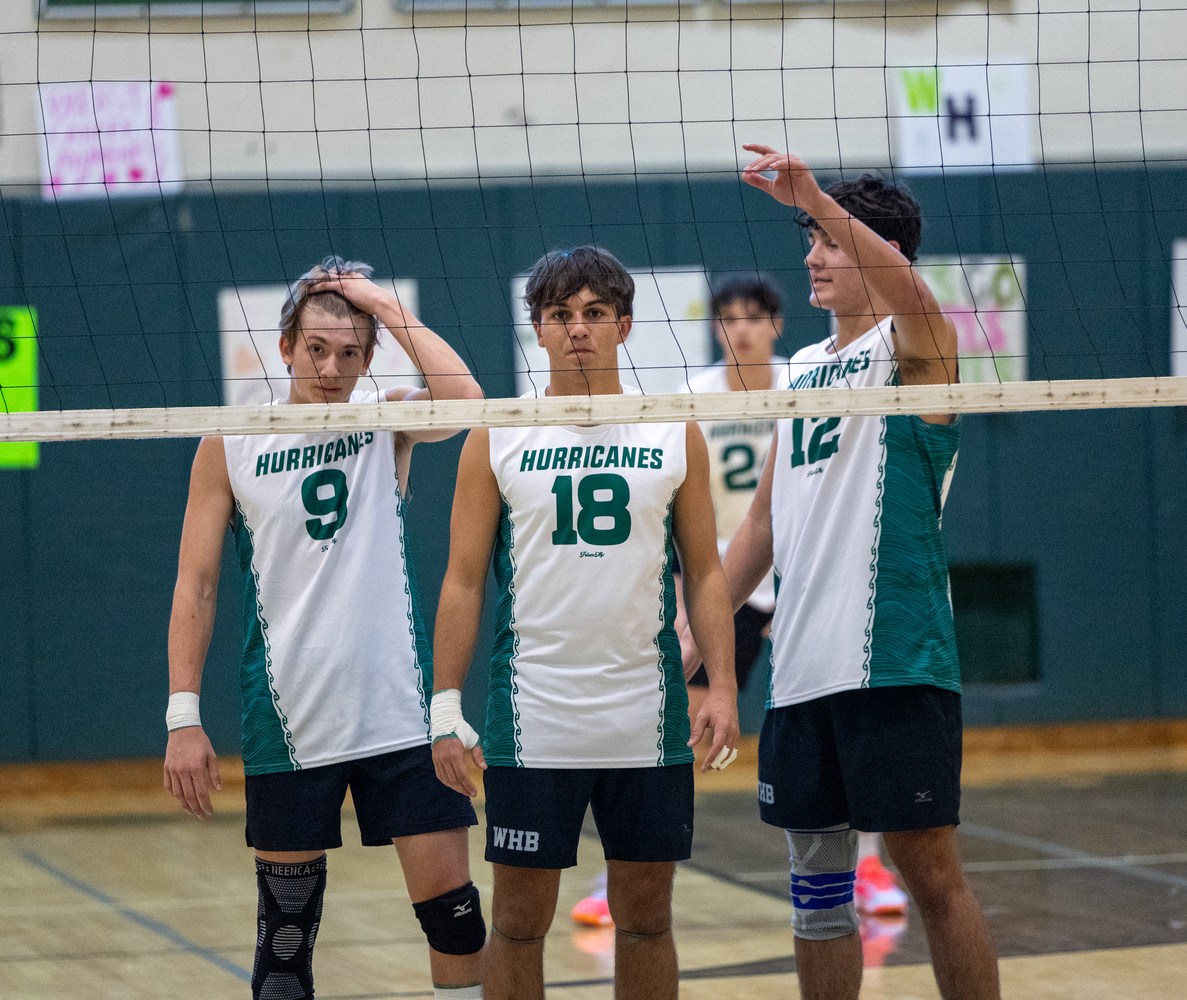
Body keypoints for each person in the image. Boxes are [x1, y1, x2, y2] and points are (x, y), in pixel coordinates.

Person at [695, 149, 1000, 1000]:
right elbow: (761, 522)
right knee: (818, 894)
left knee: (931, 878)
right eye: (809, 240)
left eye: (826, 242)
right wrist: (697, 627)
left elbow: (910, 294)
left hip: (896, 659)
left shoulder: (919, 351)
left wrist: (817, 197)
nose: (812, 258)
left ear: (875, 250)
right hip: (801, 670)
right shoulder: (799, 373)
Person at [163, 257, 488, 1000]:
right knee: (283, 948)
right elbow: (198, 583)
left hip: (401, 717)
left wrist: (379, 302)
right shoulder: (230, 442)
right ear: (285, 347)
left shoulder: (384, 420)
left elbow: (466, 400)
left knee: (457, 922)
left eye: (350, 353)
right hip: (290, 718)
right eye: (316, 348)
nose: (332, 368)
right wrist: (184, 714)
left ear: (369, 357)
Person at [428, 246, 742, 1000]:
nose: (577, 329)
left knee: (645, 916)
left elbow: (703, 570)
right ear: (536, 329)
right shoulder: (496, 434)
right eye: (560, 315)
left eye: (594, 314)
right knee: (519, 920)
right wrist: (444, 706)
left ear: (624, 325)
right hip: (536, 717)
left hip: (646, 713)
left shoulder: (675, 431)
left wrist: (723, 686)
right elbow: (463, 580)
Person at [570, 275, 790, 929]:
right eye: (728, 317)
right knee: (680, 727)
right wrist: (677, 581)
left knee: (836, 725)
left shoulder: (804, 385)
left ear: (776, 324)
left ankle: (866, 866)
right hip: (726, 579)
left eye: (754, 316)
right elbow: (673, 499)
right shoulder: (692, 399)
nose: (741, 329)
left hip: (805, 574)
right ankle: (621, 870)